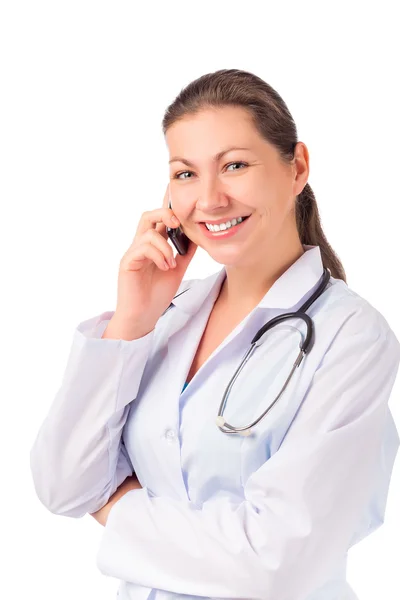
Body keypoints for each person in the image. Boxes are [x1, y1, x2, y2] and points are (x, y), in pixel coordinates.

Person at [30, 68, 400, 600]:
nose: (209, 198)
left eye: (234, 166)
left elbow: (273, 564)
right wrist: (132, 320)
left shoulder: (351, 337)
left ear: (296, 167)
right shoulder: (170, 316)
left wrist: (116, 505)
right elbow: (61, 484)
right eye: (185, 173)